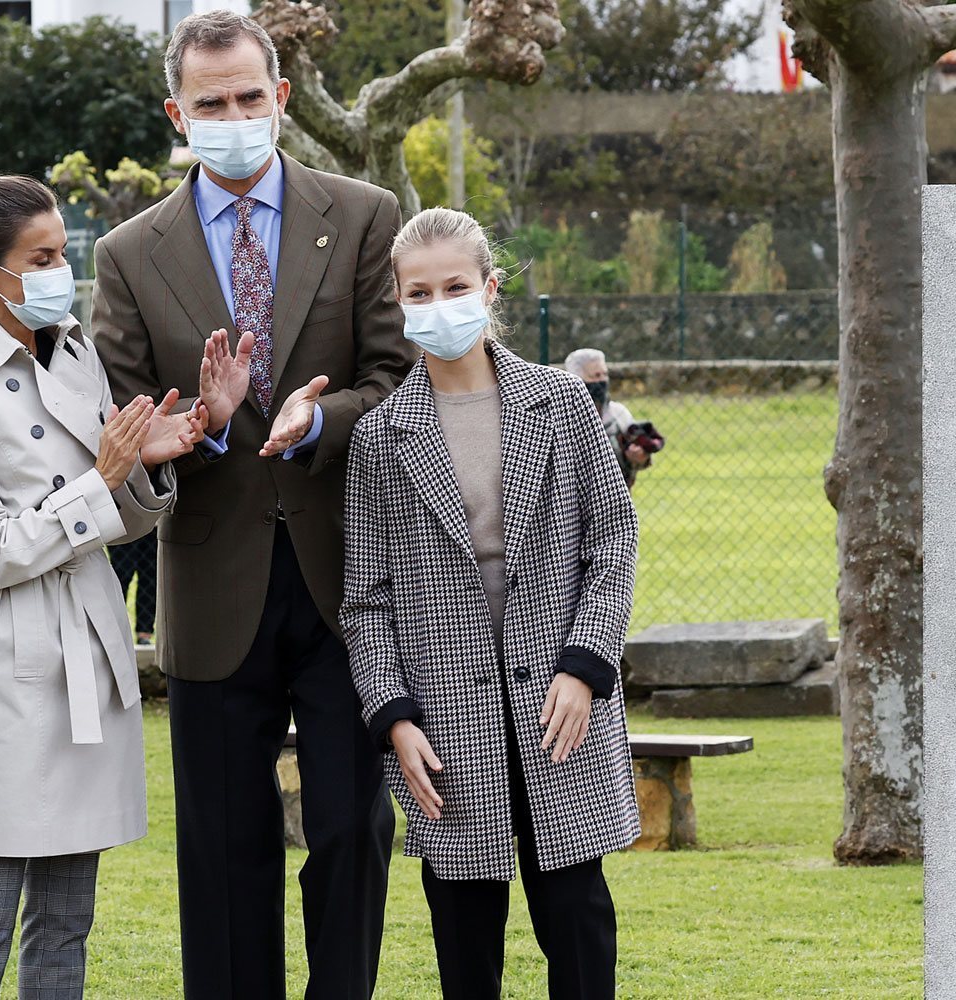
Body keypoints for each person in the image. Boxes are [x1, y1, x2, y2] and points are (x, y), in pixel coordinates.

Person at [91, 11, 415, 998]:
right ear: (175, 114)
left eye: (246, 97)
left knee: (349, 836)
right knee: (223, 853)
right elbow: (124, 421)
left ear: (278, 97)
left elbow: (400, 381)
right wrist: (198, 426)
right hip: (210, 581)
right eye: (208, 103)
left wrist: (317, 426)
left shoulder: (362, 214)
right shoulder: (128, 253)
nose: (231, 116)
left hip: (346, 582)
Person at [0, 174, 201, 1000]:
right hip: (9, 664)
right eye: (41, 257)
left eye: (63, 250)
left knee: (69, 914)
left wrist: (144, 464)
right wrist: (100, 482)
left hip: (89, 652)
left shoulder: (71, 352)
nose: (60, 269)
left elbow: (116, 520)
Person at [344, 209, 642, 1000]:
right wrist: (394, 717)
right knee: (466, 943)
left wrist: (584, 668)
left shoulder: (563, 404)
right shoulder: (379, 438)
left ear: (490, 287)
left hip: (558, 704)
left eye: (455, 286)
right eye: (420, 291)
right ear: (399, 304)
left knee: (578, 923)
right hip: (443, 723)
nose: (439, 304)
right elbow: (366, 601)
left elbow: (611, 542)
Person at [563, 348, 659, 486]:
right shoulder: (561, 417)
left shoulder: (618, 413)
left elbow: (639, 461)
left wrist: (638, 457)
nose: (602, 380)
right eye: (595, 376)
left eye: (605, 374)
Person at [107, 531, 157, 643]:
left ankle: (144, 634)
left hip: (153, 522)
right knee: (121, 575)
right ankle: (115, 630)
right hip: (123, 524)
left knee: (150, 576)